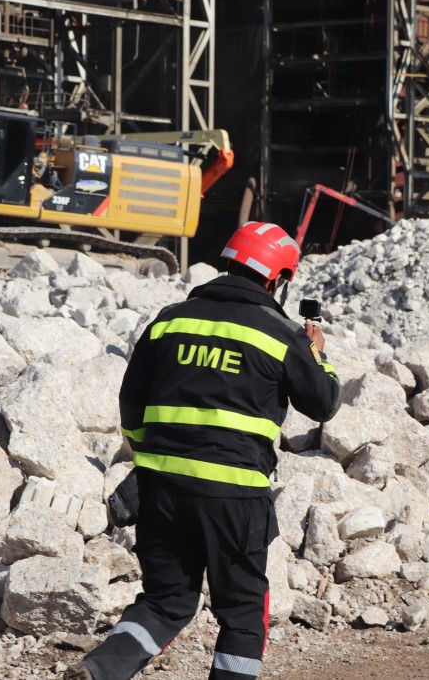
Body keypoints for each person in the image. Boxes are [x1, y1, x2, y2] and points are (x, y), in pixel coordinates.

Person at [66, 222, 343, 680]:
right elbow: (323, 403)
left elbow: (131, 403)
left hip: (160, 489)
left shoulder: (171, 319)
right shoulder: (283, 334)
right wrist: (318, 354)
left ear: (227, 265)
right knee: (242, 614)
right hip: (234, 497)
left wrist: (148, 460)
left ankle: (100, 670)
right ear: (278, 279)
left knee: (165, 602)